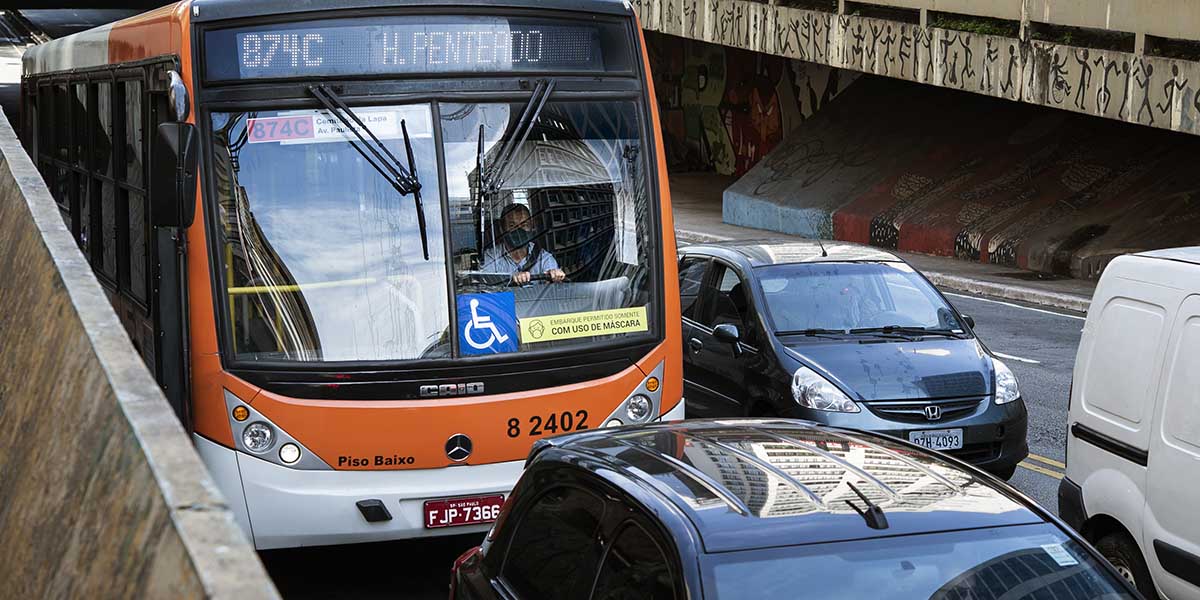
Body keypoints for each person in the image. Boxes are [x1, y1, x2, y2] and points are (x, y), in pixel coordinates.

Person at [481, 203, 566, 285]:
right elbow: (485, 285)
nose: (519, 230)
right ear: (502, 229)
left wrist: (555, 276)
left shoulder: (543, 258)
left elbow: (554, 291)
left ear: (531, 227)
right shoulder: (491, 257)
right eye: (512, 225)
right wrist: (512, 278)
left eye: (524, 225)